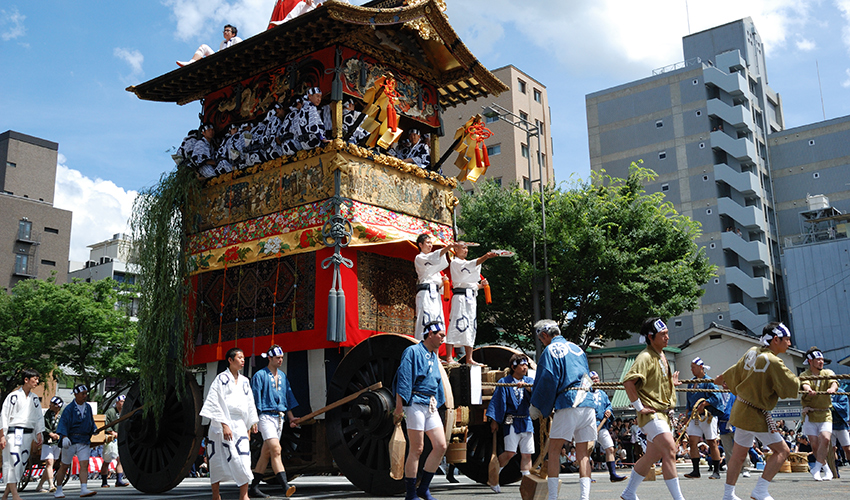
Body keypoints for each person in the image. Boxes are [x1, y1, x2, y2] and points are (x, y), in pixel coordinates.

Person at [715, 322, 800, 500]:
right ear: (776, 340)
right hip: (755, 414)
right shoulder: (772, 360)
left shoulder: (753, 351)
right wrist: (803, 385)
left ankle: (728, 494)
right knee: (782, 451)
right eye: (787, 340)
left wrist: (722, 378)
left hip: (740, 410)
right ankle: (760, 490)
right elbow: (791, 385)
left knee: (738, 456)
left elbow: (735, 371)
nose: (789, 344)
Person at [529, 319, 597, 500]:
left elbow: (546, 380)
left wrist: (537, 405)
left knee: (554, 450)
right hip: (587, 402)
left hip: (568, 402)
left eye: (541, 339)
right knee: (583, 454)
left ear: (544, 335)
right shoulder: (578, 349)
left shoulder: (550, 350)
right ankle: (585, 497)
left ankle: (553, 498)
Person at [619, 318, 685, 500]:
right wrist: (639, 407)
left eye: (667, 334)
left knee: (651, 457)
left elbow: (656, 384)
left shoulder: (661, 355)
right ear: (650, 337)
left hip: (663, 415)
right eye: (663, 334)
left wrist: (671, 384)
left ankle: (629, 492)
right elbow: (628, 382)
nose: (667, 338)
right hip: (652, 415)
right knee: (670, 450)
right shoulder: (645, 356)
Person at [394, 322, 448, 500]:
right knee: (417, 448)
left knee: (440, 446)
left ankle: (423, 488)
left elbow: (438, 381)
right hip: (415, 402)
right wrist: (399, 407)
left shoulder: (433, 356)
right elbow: (404, 378)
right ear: (430, 334)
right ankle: (410, 493)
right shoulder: (412, 351)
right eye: (440, 334)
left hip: (430, 403)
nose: (442, 338)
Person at [199, 348, 260, 500]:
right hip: (222, 422)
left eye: (243, 357)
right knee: (217, 458)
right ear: (230, 360)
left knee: (244, 458)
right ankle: (215, 494)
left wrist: (251, 423)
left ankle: (244, 495)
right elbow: (214, 402)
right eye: (239, 357)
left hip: (240, 423)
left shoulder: (245, 381)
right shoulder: (221, 379)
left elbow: (249, 403)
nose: (242, 360)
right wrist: (224, 425)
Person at [249, 345, 299, 498]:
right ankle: (286, 487)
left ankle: (254, 487)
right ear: (269, 358)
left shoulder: (283, 377)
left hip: (280, 417)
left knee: (266, 453)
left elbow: (286, 399)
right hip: (264, 416)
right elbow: (254, 400)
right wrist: (253, 420)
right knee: (276, 449)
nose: (280, 360)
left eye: (282, 357)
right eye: (278, 358)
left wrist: (291, 418)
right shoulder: (260, 375)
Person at [485, 353, 535, 493]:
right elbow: (498, 402)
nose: (525, 367)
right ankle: (494, 476)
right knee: (510, 453)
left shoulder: (530, 381)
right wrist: (494, 421)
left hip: (526, 420)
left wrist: (527, 387)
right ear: (514, 367)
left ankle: (527, 483)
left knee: (527, 454)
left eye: (526, 365)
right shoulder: (504, 382)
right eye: (522, 365)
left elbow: (537, 394)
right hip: (511, 420)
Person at [445, 244, 496, 364]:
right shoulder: (456, 263)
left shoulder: (468, 265)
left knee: (471, 327)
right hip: (460, 298)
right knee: (455, 324)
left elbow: (472, 285)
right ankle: (448, 357)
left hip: (471, 299)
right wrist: (486, 257)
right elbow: (471, 264)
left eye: (467, 248)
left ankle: (469, 358)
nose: (466, 250)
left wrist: (481, 286)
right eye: (463, 247)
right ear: (456, 250)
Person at [1, 369, 45, 500]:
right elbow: (4, 415)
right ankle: (15, 495)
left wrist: (39, 432)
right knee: (13, 461)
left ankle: (5, 495)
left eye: (38, 379)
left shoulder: (35, 399)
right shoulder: (13, 396)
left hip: (27, 434)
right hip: (14, 433)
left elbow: (38, 417)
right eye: (35, 379)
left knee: (21, 464)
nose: (37, 382)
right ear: (26, 380)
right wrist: (2, 435)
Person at [799, 346, 838, 481]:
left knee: (826, 439)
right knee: (814, 444)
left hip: (825, 412)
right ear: (810, 361)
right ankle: (826, 469)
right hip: (810, 413)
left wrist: (832, 389)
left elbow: (834, 382)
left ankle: (816, 468)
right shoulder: (804, 374)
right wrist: (809, 390)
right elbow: (805, 384)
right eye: (818, 359)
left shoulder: (827, 372)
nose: (821, 362)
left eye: (822, 359)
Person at [683, 357, 725, 480]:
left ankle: (716, 471)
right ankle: (696, 470)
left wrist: (705, 403)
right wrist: (687, 414)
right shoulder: (691, 382)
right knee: (692, 441)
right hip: (694, 415)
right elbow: (688, 400)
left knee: (712, 442)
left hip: (708, 416)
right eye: (691, 367)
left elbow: (717, 397)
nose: (691, 370)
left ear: (701, 367)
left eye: (693, 367)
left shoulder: (709, 381)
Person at [413, 234, 461, 340]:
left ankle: (436, 351)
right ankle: (421, 345)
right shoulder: (420, 258)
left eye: (431, 243)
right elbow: (432, 257)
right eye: (428, 243)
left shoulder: (435, 270)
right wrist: (447, 248)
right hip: (425, 293)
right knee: (426, 319)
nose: (430, 245)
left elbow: (438, 284)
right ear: (420, 245)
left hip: (435, 295)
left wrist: (443, 282)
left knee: (437, 319)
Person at [54, 385, 98, 498]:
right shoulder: (68, 409)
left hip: (84, 440)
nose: (85, 396)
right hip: (70, 440)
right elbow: (63, 423)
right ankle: (58, 489)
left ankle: (83, 488)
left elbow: (91, 421)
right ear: (75, 394)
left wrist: (94, 429)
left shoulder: (88, 407)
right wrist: (64, 437)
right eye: (82, 394)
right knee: (64, 465)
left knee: (84, 464)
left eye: (86, 393)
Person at [588, 371, 626, 482]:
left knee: (610, 448)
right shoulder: (586, 393)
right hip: (589, 425)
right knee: (587, 451)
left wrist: (608, 410)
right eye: (593, 378)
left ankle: (613, 474)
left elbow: (609, 405)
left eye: (597, 378)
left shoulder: (603, 394)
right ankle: (586, 476)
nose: (596, 380)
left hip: (602, 425)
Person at [718, 393, 751, 478]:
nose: (725, 384)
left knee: (742, 447)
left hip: (736, 423)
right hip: (722, 425)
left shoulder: (735, 393)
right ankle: (732, 468)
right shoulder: (718, 394)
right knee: (728, 449)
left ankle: (746, 468)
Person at [35, 397, 64, 493]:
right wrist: (50, 433)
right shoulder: (48, 414)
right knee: (49, 462)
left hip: (57, 442)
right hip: (48, 441)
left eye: (52, 404)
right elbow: (44, 426)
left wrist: (60, 435)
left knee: (51, 464)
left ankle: (39, 485)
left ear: (57, 406)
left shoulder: (62, 414)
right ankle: (51, 485)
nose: (50, 405)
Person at [100, 395, 129, 488]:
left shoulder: (126, 412)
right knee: (107, 460)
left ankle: (119, 480)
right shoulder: (110, 412)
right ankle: (104, 481)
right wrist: (111, 431)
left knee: (120, 459)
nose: (123, 403)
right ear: (117, 403)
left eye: (125, 401)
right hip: (111, 438)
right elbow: (106, 423)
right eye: (122, 401)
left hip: (121, 437)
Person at [178, 24, 242, 67]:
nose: (225, 32)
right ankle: (191, 62)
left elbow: (239, 49)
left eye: (228, 30)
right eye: (224, 31)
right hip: (220, 58)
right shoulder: (223, 43)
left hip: (230, 59)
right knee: (204, 47)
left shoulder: (236, 39)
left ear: (233, 34)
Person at [830, 381, 850, 475]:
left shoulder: (841, 392)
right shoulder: (824, 392)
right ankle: (835, 471)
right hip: (829, 424)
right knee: (832, 449)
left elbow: (844, 408)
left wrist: (831, 405)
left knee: (847, 448)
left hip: (840, 424)